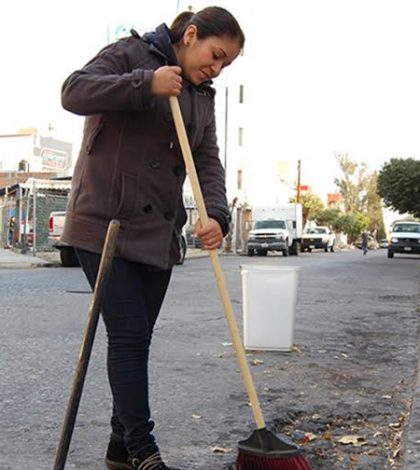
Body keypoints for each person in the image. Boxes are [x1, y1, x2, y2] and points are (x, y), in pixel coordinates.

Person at [60, 6, 244, 470]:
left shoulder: (202, 95)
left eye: (226, 64)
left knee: (137, 340)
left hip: (159, 232)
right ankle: (144, 451)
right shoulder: (131, 53)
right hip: (105, 223)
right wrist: (145, 84)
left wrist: (217, 215)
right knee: (128, 336)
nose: (216, 67)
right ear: (192, 34)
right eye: (215, 55)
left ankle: (120, 448)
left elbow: (207, 161)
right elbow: (73, 91)